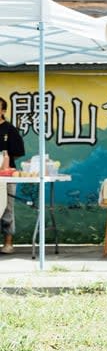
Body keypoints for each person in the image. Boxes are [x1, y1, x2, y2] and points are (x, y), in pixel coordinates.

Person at [0, 97, 25, 254]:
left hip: (7, 175)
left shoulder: (10, 129)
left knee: (7, 207)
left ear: (3, 111)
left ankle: (8, 242)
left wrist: (4, 162)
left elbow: (17, 153)